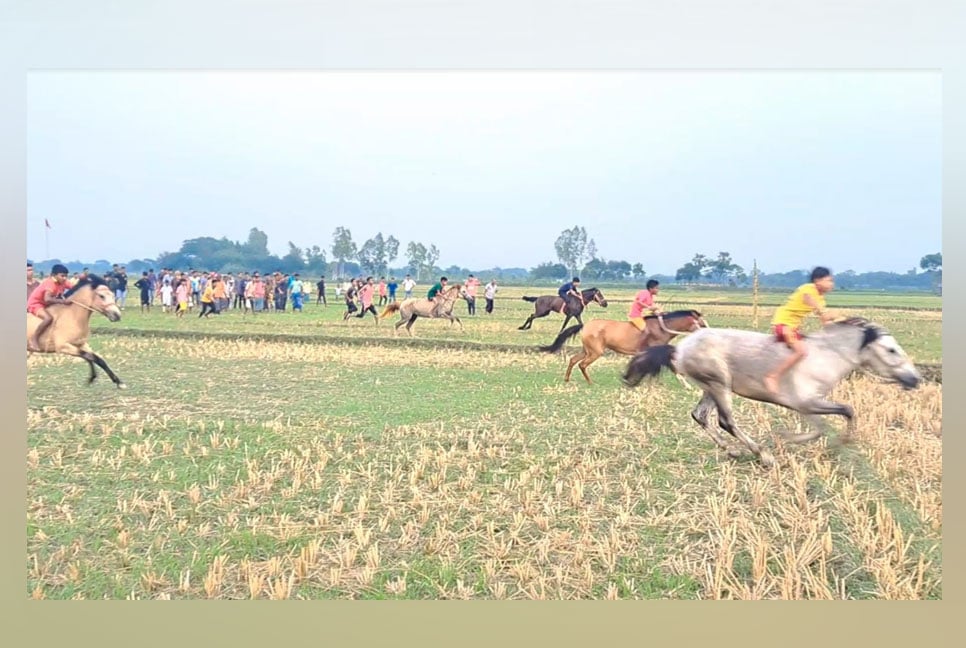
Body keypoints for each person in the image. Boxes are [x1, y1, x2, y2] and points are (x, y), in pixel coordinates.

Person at [763, 266, 837, 395]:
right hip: (783, 324)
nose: (832, 284)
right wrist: (823, 312)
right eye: (828, 280)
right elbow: (810, 300)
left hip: (793, 327)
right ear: (817, 280)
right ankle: (773, 376)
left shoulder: (821, 298)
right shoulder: (808, 288)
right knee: (801, 351)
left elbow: (825, 320)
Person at [27, 263, 72, 352]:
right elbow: (47, 299)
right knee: (48, 318)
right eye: (62, 276)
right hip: (36, 304)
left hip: (46, 304)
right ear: (54, 276)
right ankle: (34, 338)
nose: (64, 278)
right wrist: (63, 301)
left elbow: (75, 286)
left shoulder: (63, 282)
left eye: (66, 276)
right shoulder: (50, 283)